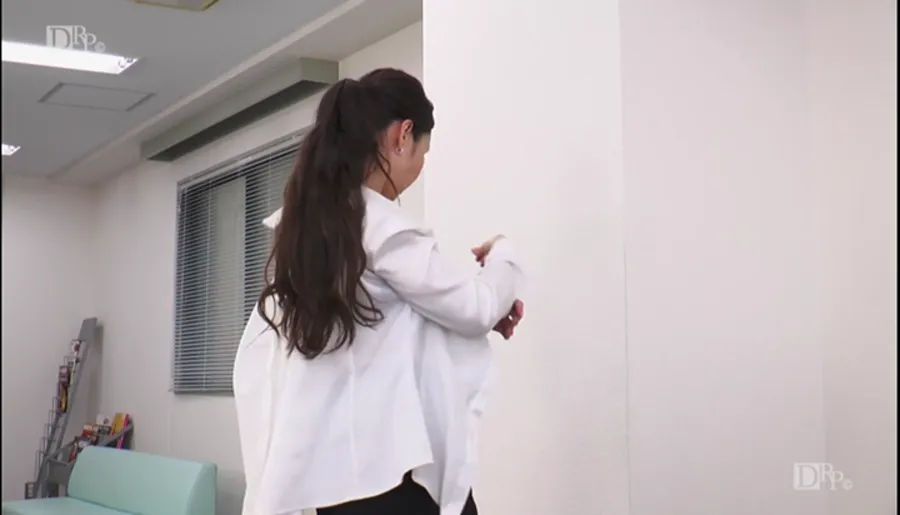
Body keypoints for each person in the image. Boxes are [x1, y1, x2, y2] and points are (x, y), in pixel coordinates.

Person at [233, 68, 525, 515]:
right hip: (391, 476)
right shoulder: (382, 227)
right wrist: (504, 254)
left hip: (335, 484)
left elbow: (390, 326)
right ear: (402, 135)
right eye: (423, 151)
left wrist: (470, 320)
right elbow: (476, 307)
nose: (420, 167)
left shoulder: (308, 228)